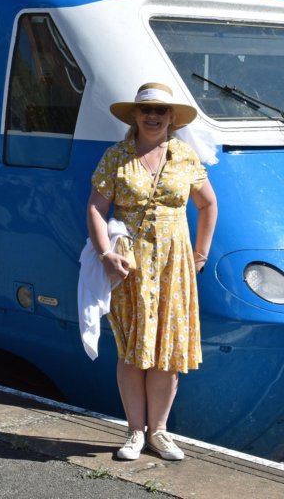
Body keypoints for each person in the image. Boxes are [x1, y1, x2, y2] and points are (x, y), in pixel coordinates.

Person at [85, 82, 218, 462]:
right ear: (136, 115)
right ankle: (134, 432)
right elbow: (95, 208)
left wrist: (200, 254)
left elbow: (208, 205)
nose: (154, 116)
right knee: (131, 350)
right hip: (130, 266)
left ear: (172, 117)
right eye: (147, 110)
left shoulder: (184, 156)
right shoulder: (116, 156)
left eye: (161, 110)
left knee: (167, 351)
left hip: (174, 266)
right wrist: (106, 254)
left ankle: (158, 433)